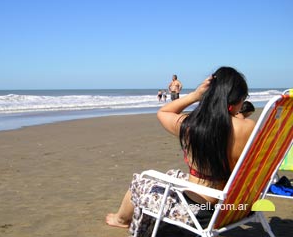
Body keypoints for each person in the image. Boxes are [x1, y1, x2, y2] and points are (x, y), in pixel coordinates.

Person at [106, 67, 256, 236]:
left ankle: (121, 220)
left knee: (139, 182)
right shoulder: (250, 128)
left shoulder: (193, 126)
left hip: (199, 211)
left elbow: (164, 112)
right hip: (236, 206)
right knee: (172, 174)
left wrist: (195, 95)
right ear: (237, 100)